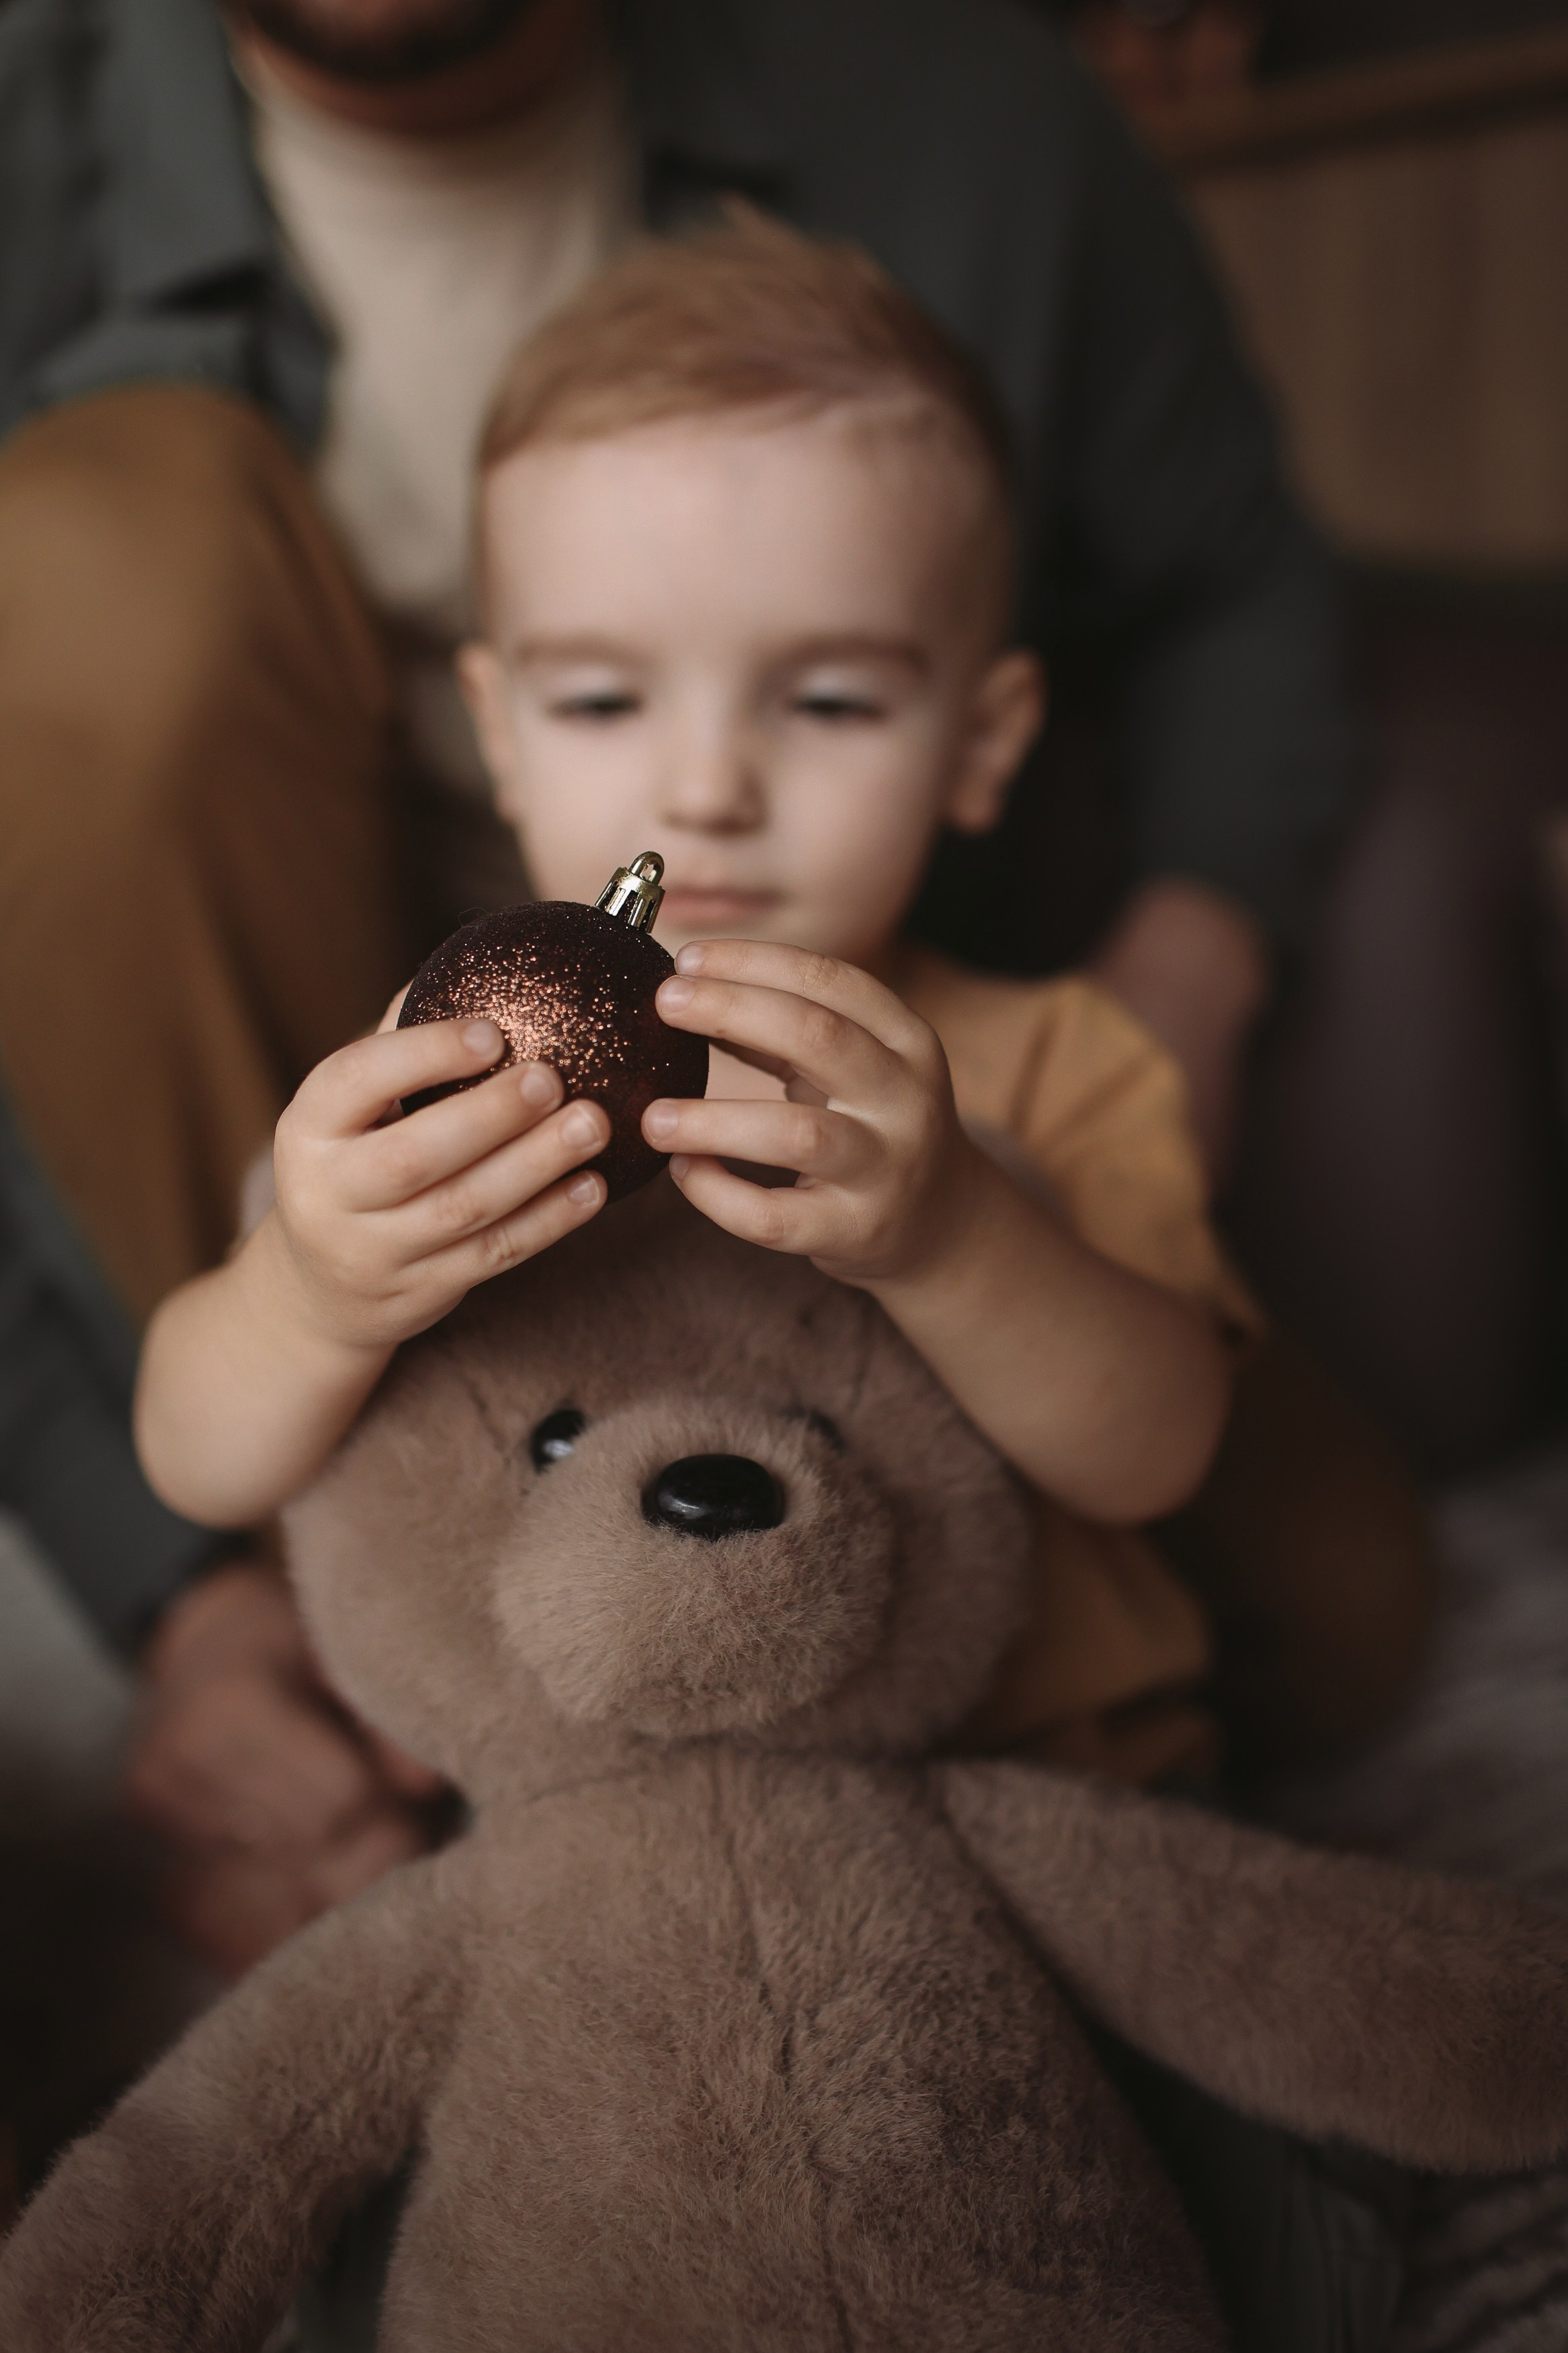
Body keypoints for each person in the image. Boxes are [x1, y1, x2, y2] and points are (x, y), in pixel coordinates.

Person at [0, 0, 1351, 1973]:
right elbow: (199, 1443)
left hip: (1016, 1852)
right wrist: (308, 1287)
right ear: (496, 733)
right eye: (605, 698)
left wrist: (966, 1226)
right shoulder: (439, 1074)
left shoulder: (1039, 1062)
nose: (702, 785)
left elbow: (1157, 1444)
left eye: (821, 699)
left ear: (985, 744)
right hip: (591, 1867)